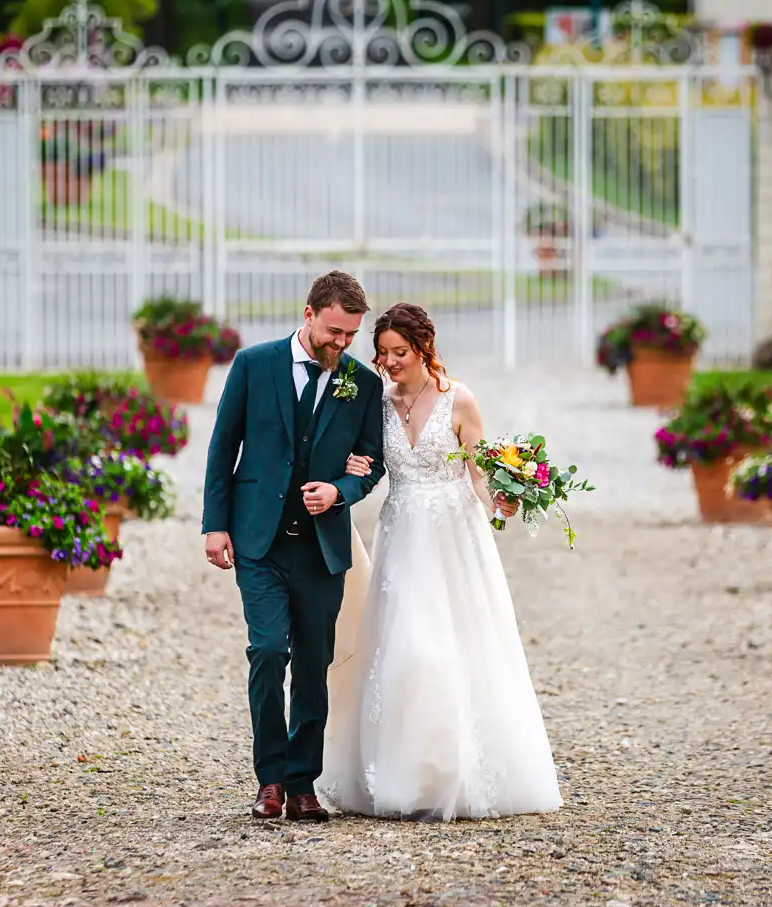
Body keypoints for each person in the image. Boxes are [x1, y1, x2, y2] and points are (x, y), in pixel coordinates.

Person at [316, 302, 563, 820]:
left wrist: (501, 497)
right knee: (404, 650)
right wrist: (354, 465)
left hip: (451, 538)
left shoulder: (459, 400)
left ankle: (453, 773)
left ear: (424, 346)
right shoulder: (378, 403)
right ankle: (405, 774)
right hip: (402, 536)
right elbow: (371, 464)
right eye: (382, 353)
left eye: (399, 352)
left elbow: (477, 470)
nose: (390, 362)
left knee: (451, 648)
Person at [202, 271, 386, 822]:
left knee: (312, 664)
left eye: (350, 335)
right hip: (258, 541)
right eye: (334, 331)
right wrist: (215, 524)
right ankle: (271, 780)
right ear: (308, 314)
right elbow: (222, 447)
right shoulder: (253, 365)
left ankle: (304, 782)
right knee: (267, 652)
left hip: (321, 550)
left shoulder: (361, 383)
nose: (341, 343)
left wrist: (340, 490)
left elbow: (371, 463)